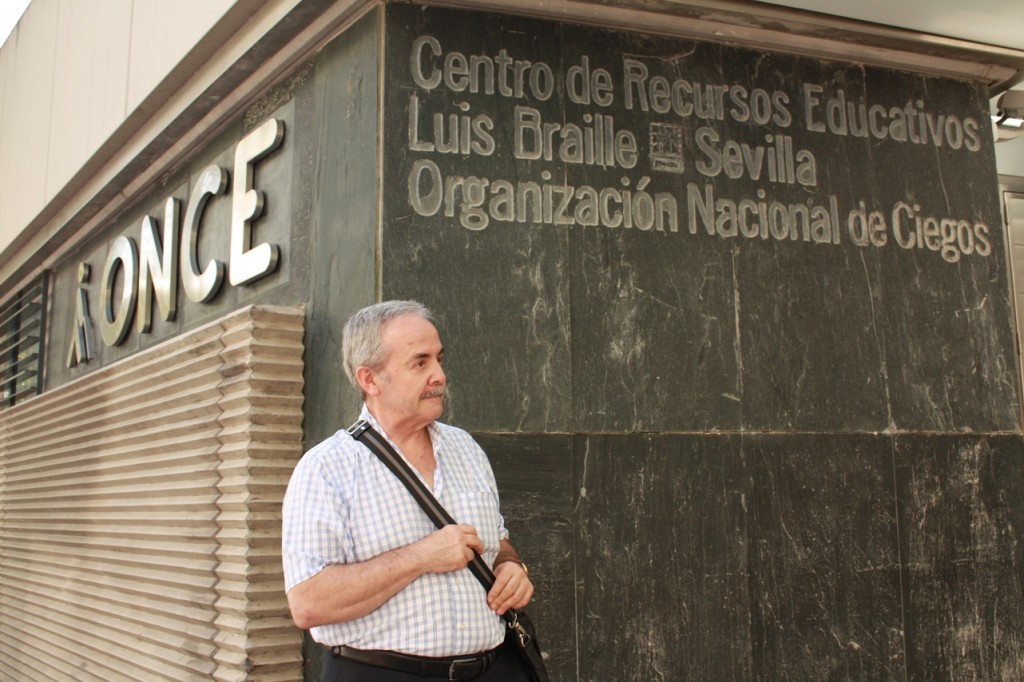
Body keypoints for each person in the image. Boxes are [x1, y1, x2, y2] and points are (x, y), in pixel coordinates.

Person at [282, 300, 534, 681]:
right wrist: (420, 556)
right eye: (420, 363)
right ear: (370, 380)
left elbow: (496, 538)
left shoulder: (465, 448)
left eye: (439, 358)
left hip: (495, 667)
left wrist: (510, 566)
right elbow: (308, 604)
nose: (440, 375)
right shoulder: (325, 469)